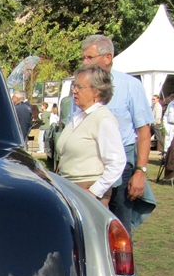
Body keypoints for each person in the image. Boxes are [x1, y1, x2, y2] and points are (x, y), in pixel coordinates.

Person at [79, 34, 154, 232]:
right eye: (83, 58)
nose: (85, 62)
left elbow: (143, 131)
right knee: (90, 229)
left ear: (108, 58)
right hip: (88, 167)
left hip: (121, 168)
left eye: (89, 57)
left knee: (119, 229)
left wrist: (140, 172)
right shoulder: (81, 87)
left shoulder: (130, 86)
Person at [54, 65, 126, 207]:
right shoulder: (79, 116)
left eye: (79, 87)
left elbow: (117, 162)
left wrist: (94, 191)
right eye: (74, 86)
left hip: (88, 192)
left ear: (96, 91)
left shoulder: (103, 119)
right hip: (69, 187)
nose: (74, 90)